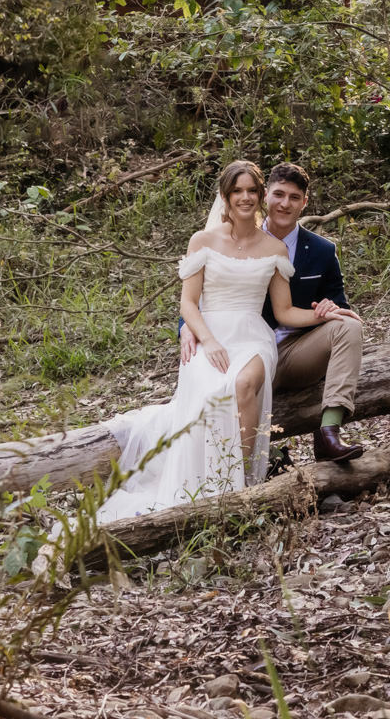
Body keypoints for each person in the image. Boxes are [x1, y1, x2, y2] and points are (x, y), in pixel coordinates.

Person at [91, 161, 361, 525]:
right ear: (227, 197)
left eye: (252, 190)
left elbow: (284, 311)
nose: (247, 197)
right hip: (213, 335)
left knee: (242, 382)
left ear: (300, 202)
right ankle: (203, 486)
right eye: (240, 191)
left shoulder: (282, 250)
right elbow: (189, 302)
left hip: (257, 338)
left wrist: (329, 313)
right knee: (211, 391)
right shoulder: (203, 241)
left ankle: (245, 484)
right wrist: (196, 333)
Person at [181, 161, 365, 463]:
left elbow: (321, 304)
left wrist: (332, 310)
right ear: (266, 197)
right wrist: (187, 327)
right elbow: (196, 296)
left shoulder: (320, 250)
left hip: (290, 351)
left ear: (304, 203)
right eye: (279, 195)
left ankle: (329, 432)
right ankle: (267, 460)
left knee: (349, 326)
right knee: (230, 388)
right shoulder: (212, 240)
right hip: (230, 344)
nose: (285, 204)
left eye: (294, 197)